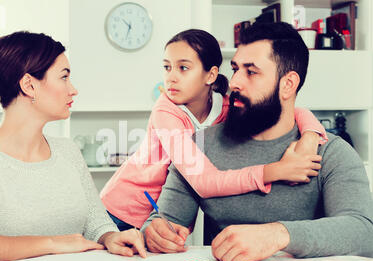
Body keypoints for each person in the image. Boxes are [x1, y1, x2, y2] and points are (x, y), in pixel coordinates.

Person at [141, 22, 373, 261]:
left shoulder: (330, 153)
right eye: (235, 69)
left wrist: (277, 235)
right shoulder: (197, 147)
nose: (234, 83)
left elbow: (363, 232)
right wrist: (156, 231)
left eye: (251, 72)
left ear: (288, 84)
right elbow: (164, 220)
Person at [0, 31, 146, 261]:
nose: (73, 89)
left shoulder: (68, 152)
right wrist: (52, 244)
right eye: (64, 77)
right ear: (29, 86)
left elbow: (96, 222)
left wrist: (110, 236)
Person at [101, 29, 327, 231]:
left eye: (183, 68)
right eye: (167, 67)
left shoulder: (227, 106)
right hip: (120, 211)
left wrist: (310, 136)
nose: (171, 77)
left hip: (161, 215)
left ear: (210, 75)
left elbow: (290, 108)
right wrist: (277, 170)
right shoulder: (166, 112)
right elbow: (204, 182)